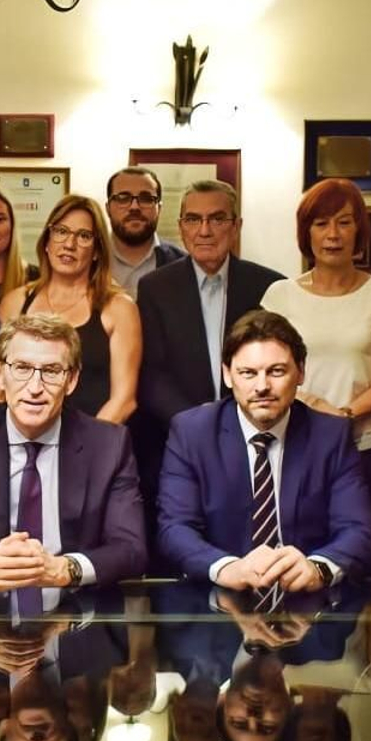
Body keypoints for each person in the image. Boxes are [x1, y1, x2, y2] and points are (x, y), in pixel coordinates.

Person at [0, 313, 147, 593]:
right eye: (22, 368)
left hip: (78, 617)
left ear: (71, 380)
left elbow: (131, 549)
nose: (35, 388)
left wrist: (65, 569)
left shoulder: (109, 444)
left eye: (51, 371)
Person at [157, 310, 371, 591]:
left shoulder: (330, 436)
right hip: (218, 603)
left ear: (301, 372)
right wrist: (227, 567)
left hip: (307, 601)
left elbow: (359, 530)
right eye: (248, 373)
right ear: (227, 374)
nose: (262, 386)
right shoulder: (192, 433)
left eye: (276, 371)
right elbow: (174, 529)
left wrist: (318, 567)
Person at [134, 178, 282, 533]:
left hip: (255, 439)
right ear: (181, 226)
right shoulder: (154, 287)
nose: (205, 230)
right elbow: (151, 373)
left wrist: (236, 425)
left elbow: (277, 367)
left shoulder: (270, 287)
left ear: (236, 226)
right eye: (193, 220)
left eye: (217, 219)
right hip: (176, 440)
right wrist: (201, 427)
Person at [260, 179, 371, 486]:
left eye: (344, 223)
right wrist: (316, 410)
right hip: (293, 438)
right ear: (306, 232)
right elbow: (268, 371)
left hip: (363, 446)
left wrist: (344, 415)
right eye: (321, 223)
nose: (333, 235)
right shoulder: (279, 295)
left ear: (359, 230)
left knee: (360, 531)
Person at [0, 195, 140, 424]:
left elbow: (124, 401)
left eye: (84, 236)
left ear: (96, 251)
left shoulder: (119, 308)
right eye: (61, 231)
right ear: (47, 241)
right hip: (24, 445)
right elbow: (1, 387)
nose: (69, 244)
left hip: (93, 446)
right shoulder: (14, 303)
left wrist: (83, 452)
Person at [105, 166, 185, 293]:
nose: (134, 207)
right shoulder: (89, 259)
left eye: (146, 199)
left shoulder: (183, 265)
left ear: (159, 208)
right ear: (108, 208)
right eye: (123, 198)